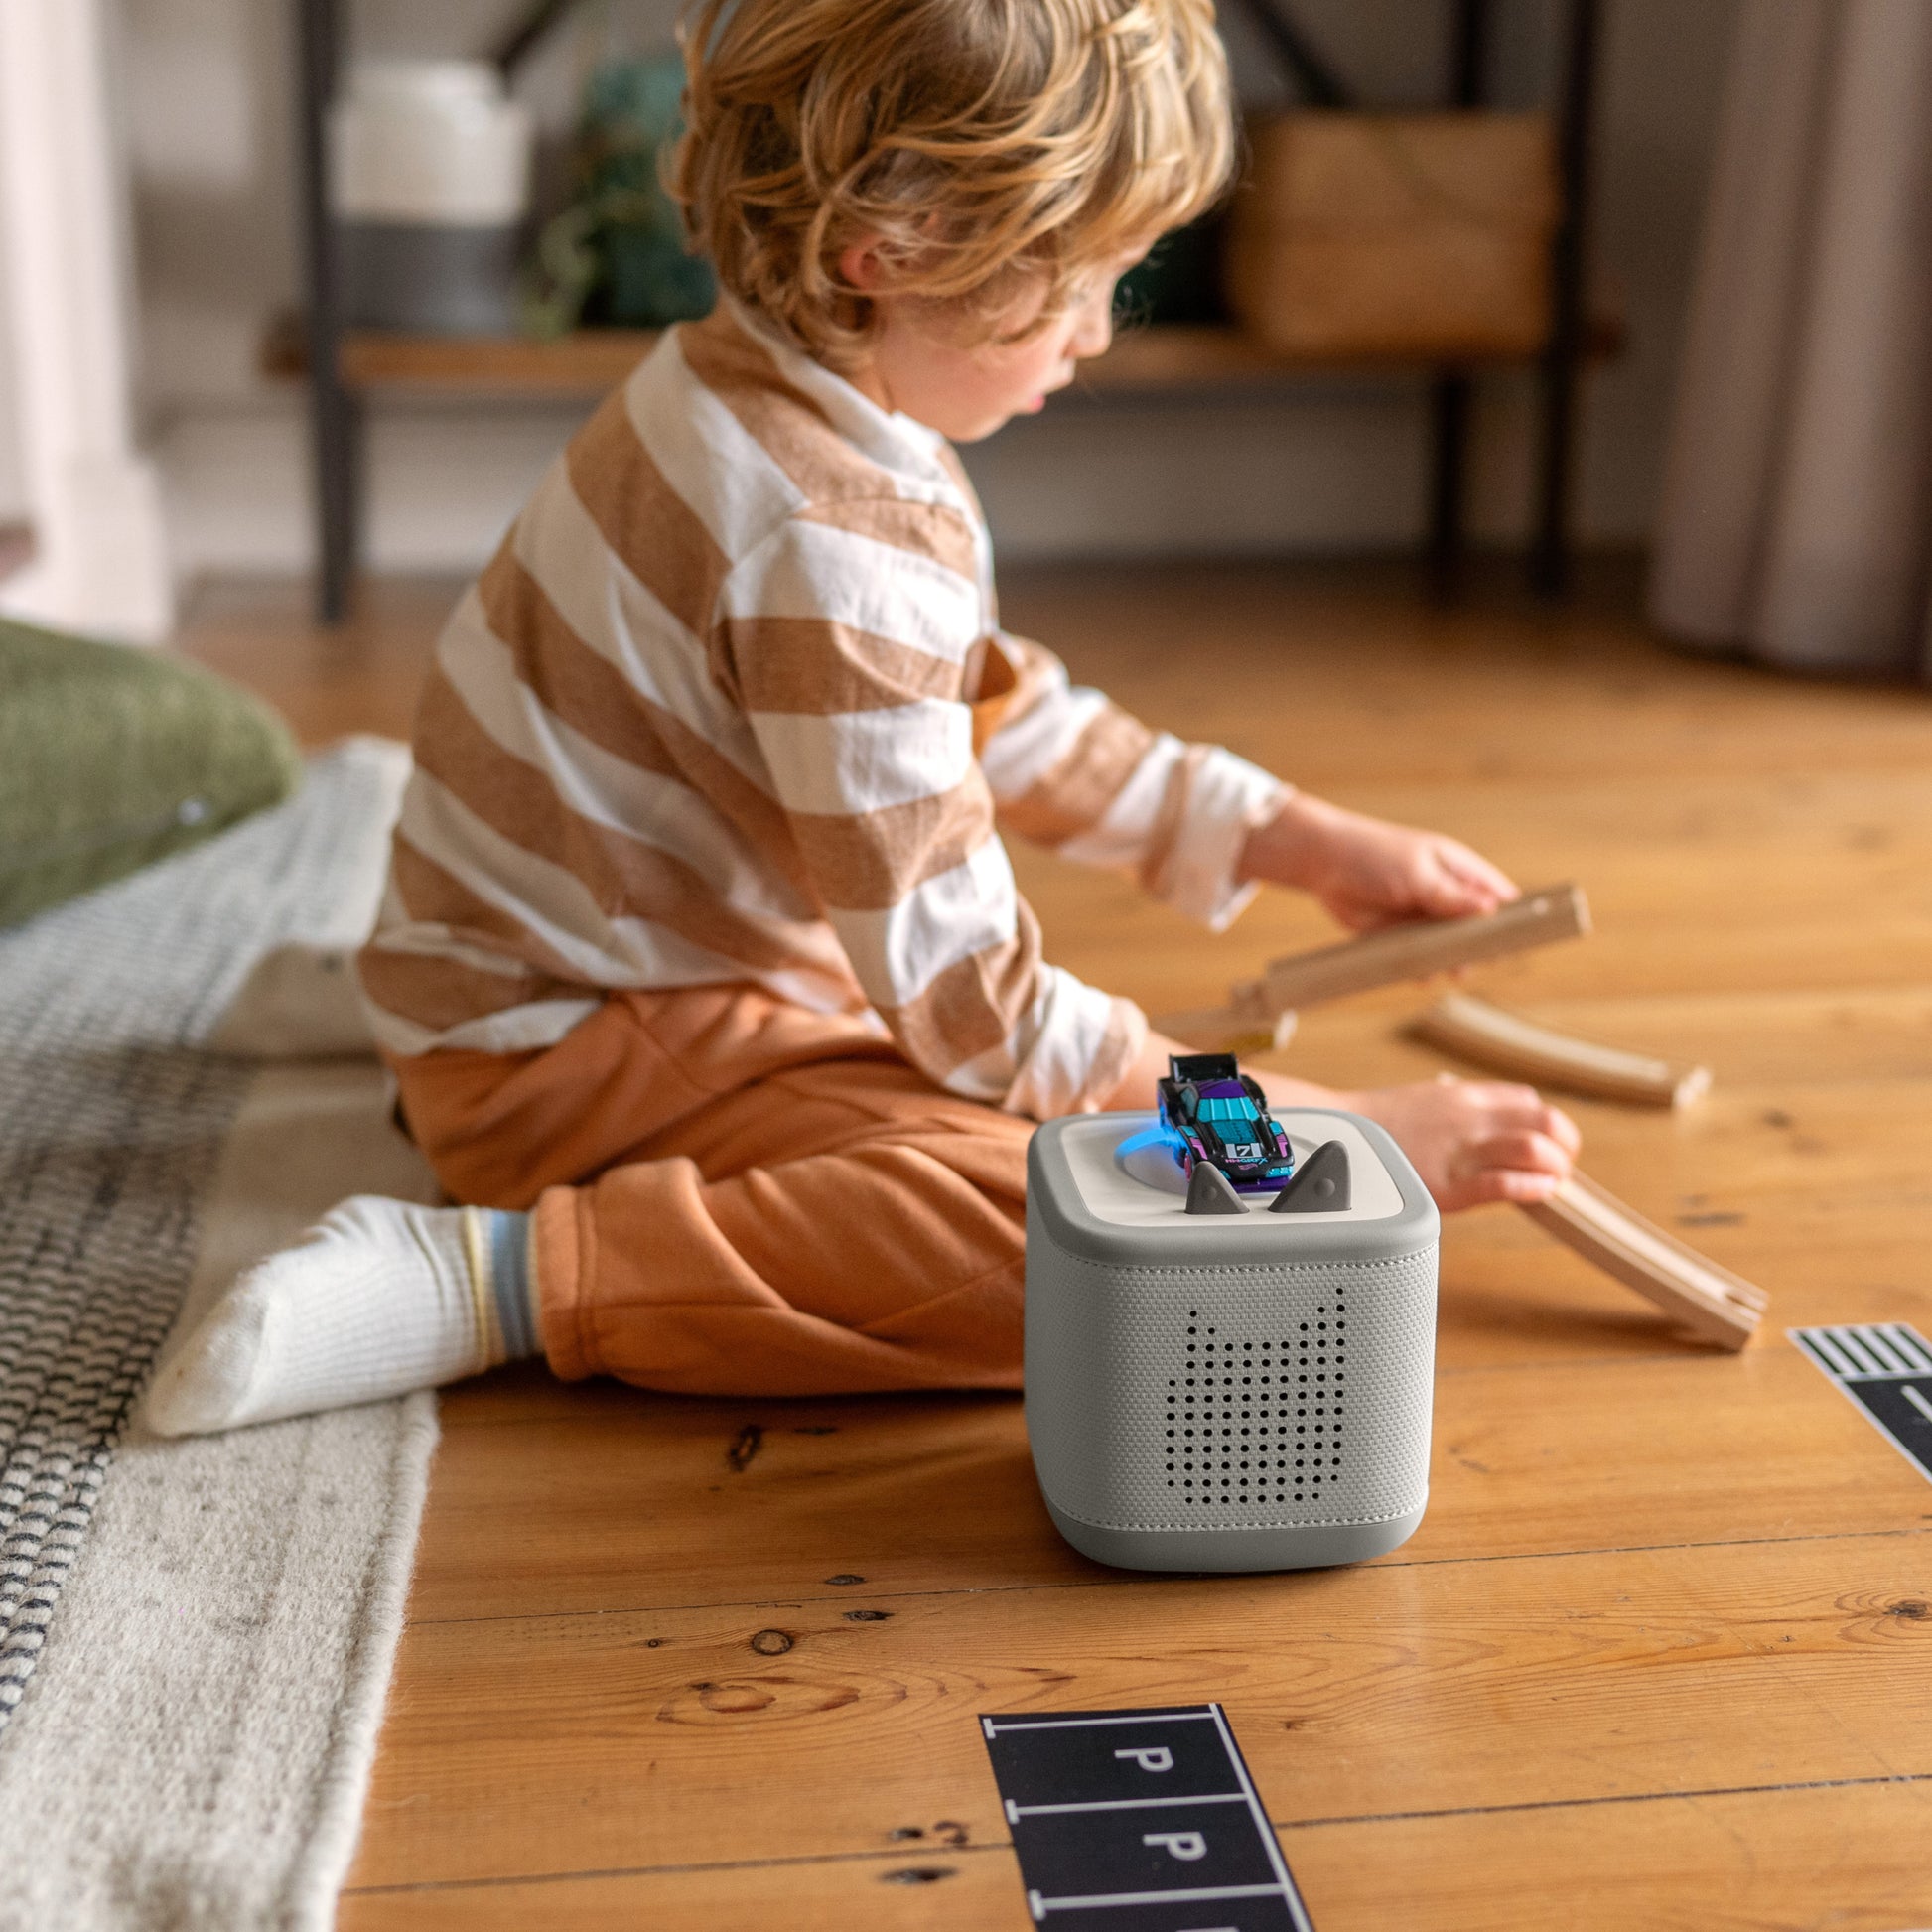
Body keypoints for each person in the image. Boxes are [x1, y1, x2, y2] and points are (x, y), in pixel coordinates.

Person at [145, 0, 1577, 1437]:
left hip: (545, 970)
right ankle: (493, 1274)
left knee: (1086, 1143)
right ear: (886, 257)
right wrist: (1297, 1141)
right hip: (582, 1046)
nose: (1093, 334)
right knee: (1097, 1239)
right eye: (1081, 285)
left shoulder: (744, 379)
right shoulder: (834, 531)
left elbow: (984, 709)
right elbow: (970, 998)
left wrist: (1286, 836)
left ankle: (417, 1008)